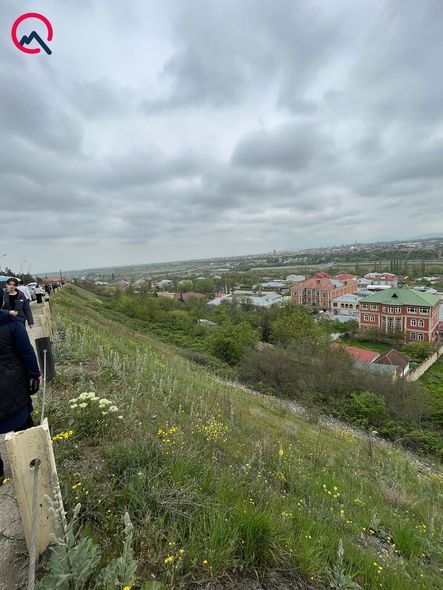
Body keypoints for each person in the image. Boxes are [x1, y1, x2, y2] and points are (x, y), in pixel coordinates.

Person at [0, 310, 42, 485]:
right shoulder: (11, 323)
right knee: (22, 421)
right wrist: (35, 374)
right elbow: (26, 352)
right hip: (13, 383)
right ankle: (33, 461)